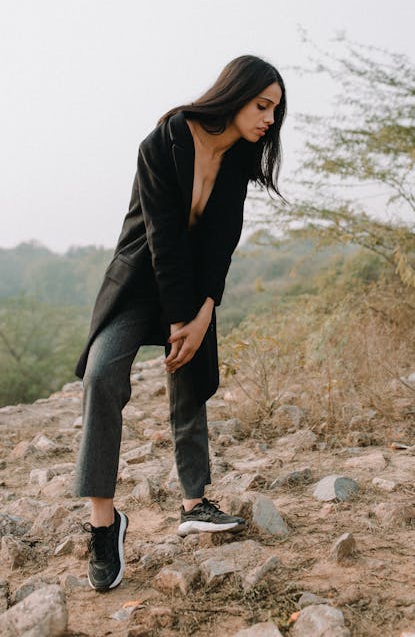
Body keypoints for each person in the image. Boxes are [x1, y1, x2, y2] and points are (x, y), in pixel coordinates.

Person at [73, 54, 286, 591]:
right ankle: (104, 526)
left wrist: (205, 309)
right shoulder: (163, 141)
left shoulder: (239, 159)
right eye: (262, 106)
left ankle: (195, 503)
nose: (268, 120)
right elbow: (163, 240)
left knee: (188, 381)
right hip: (139, 280)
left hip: (192, 284)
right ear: (234, 95)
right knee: (102, 376)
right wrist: (179, 322)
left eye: (275, 112)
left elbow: (221, 243)